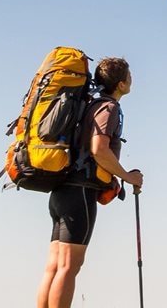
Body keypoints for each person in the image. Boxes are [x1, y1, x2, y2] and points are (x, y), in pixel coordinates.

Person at [36, 57, 144, 308]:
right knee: (68, 267)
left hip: (61, 191)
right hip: (80, 193)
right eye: (129, 75)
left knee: (54, 266)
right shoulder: (108, 108)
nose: (132, 79)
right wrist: (129, 177)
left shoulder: (87, 104)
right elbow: (99, 149)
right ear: (120, 84)